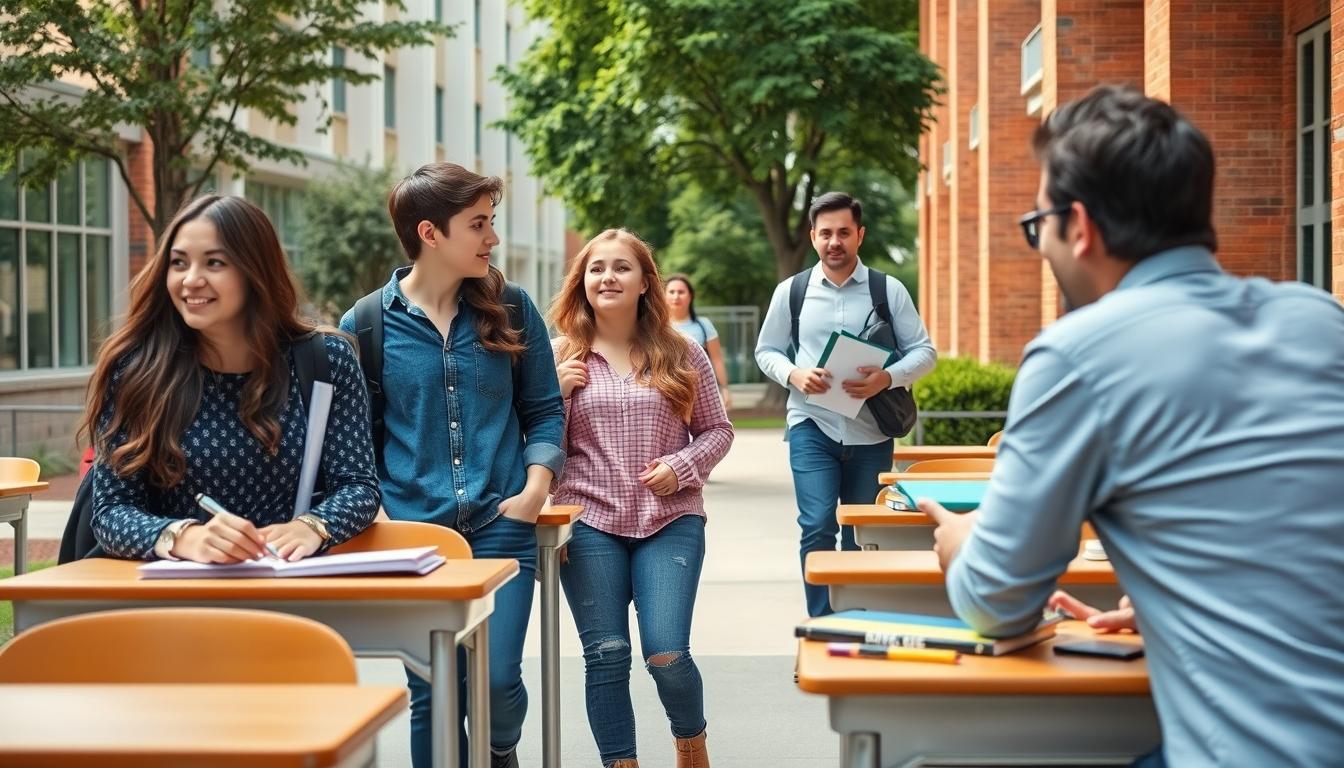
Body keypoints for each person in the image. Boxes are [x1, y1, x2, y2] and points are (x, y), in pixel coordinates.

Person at [920, 85, 1344, 767]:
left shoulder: (1077, 355)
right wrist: (1176, 601)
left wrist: (960, 543)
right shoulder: (1319, 319)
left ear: (1079, 226)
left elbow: (998, 602)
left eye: (1038, 226)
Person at [339, 163, 565, 768]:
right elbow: (352, 441)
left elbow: (544, 409)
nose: (492, 238)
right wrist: (382, 513)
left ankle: (500, 747)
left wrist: (536, 486)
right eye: (479, 225)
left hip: (502, 526)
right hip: (418, 538)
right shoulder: (364, 326)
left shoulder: (512, 308)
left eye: (491, 223)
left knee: (494, 681)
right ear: (430, 234)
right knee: (434, 694)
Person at [84, 194, 378, 564]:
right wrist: (186, 538)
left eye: (214, 263)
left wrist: (312, 526)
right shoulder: (136, 370)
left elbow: (359, 486)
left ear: (255, 270)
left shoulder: (327, 360)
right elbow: (111, 511)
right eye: (178, 263)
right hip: (170, 601)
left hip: (289, 591)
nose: (191, 280)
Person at [550, 229, 734, 768]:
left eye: (621, 267)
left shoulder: (683, 351)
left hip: (670, 519)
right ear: (582, 282)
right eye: (596, 268)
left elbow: (717, 431)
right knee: (605, 656)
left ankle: (690, 740)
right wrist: (555, 393)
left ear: (645, 281)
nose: (608, 277)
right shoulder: (559, 355)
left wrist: (681, 467)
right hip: (588, 522)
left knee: (667, 652)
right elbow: (536, 446)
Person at [755, 191, 936, 617]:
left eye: (843, 232)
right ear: (813, 237)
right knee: (816, 525)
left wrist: (887, 378)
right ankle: (821, 622)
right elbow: (768, 351)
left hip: (871, 432)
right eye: (826, 234)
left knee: (863, 532)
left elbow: (924, 351)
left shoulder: (887, 290)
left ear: (860, 235)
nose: (834, 241)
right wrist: (794, 375)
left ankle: (858, 620)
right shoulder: (792, 292)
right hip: (811, 426)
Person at [665, 273, 732, 409]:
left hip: (700, 395)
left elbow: (717, 360)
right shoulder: (657, 327)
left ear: (690, 296)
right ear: (664, 295)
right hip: (666, 393)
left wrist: (725, 389)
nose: (676, 296)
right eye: (671, 292)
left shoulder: (704, 325)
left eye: (681, 292)